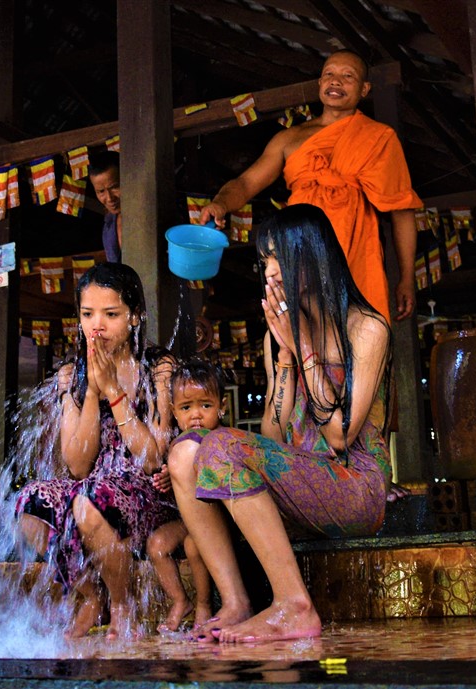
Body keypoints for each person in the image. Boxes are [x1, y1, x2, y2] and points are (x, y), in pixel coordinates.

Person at [167, 204, 392, 644]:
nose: (269, 271)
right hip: (300, 483)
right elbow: (274, 436)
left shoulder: (367, 327)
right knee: (186, 451)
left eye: (277, 257)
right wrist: (285, 355)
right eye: (264, 260)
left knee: (221, 446)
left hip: (355, 487)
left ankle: (295, 605)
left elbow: (341, 434)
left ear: (310, 257)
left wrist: (301, 342)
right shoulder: (279, 337)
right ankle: (235, 601)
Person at [15, 262, 177, 639]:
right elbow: (76, 465)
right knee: (29, 504)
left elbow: (152, 458)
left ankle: (122, 602)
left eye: (111, 314)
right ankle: (93, 595)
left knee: (89, 501)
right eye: (87, 314)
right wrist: (90, 390)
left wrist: (113, 391)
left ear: (135, 317)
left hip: (150, 493)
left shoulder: (158, 369)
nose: (97, 326)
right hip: (95, 488)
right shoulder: (71, 375)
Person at [199, 49, 422, 322]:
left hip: (355, 253)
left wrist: (407, 279)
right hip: (299, 249)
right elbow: (246, 183)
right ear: (320, 84)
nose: (336, 81)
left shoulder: (379, 137)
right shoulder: (289, 138)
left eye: (347, 76)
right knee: (299, 335)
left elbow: (402, 210)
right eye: (329, 74)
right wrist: (220, 203)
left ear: (365, 89)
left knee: (359, 334)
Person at [146, 358, 223, 633]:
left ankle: (204, 605)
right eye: (186, 408)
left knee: (193, 545)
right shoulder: (177, 446)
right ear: (175, 414)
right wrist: (169, 478)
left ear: (221, 407)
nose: (196, 415)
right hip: (189, 518)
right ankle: (180, 600)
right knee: (156, 545)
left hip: (222, 518)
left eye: (206, 405)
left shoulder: (222, 440)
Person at [88, 151, 122, 263]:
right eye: (101, 191)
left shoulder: (151, 215)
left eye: (115, 187)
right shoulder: (109, 224)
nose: (109, 198)